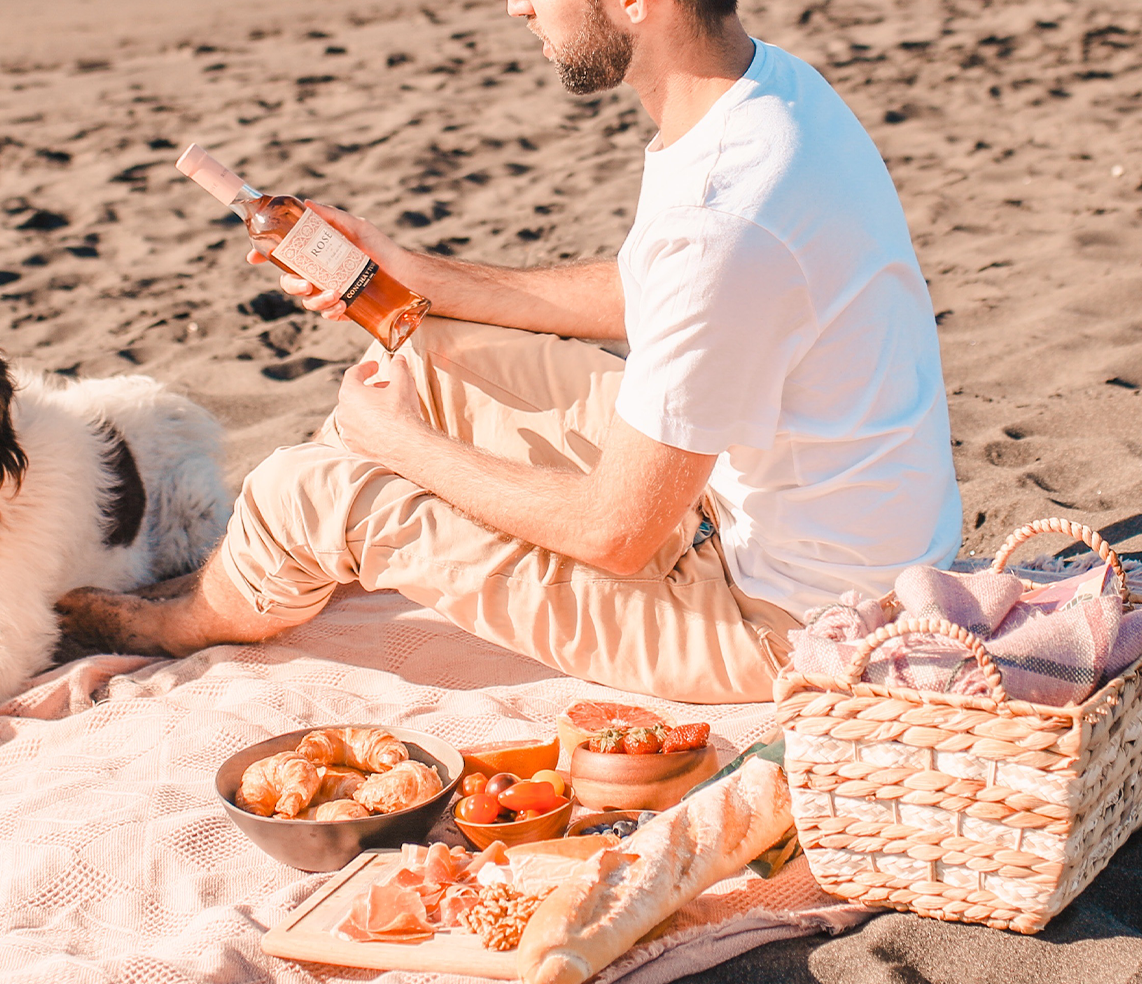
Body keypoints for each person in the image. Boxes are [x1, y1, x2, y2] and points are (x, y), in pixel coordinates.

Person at [57, 0, 962, 703]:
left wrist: (398, 446)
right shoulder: (771, 95)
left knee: (316, 486)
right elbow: (652, 289)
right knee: (422, 353)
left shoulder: (722, 216)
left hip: (787, 619)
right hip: (783, 519)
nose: (519, 8)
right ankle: (262, 570)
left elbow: (615, 534)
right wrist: (413, 275)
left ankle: (185, 622)